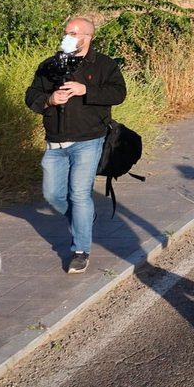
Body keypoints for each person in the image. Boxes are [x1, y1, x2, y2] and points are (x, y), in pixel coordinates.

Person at [24, 16, 128, 274]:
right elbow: (31, 95)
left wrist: (86, 89)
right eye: (66, 31)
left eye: (73, 32)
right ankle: (84, 218)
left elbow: (118, 94)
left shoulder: (104, 65)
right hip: (55, 141)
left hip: (89, 139)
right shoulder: (50, 65)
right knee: (52, 194)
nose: (67, 36)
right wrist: (49, 99)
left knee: (80, 194)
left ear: (87, 37)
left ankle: (80, 250)